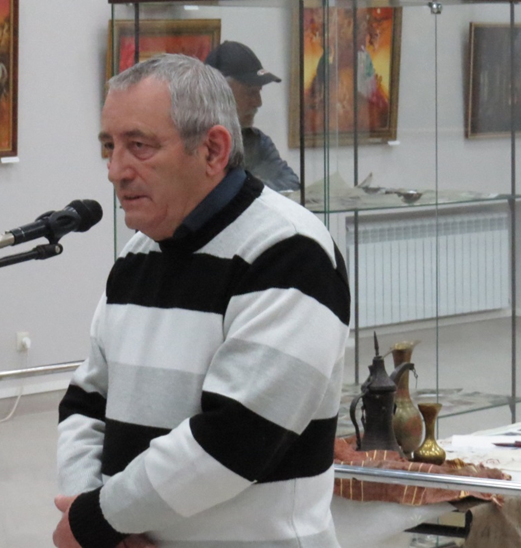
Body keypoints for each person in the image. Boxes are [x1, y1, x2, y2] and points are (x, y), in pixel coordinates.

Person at [54, 54, 351, 548]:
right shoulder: (138, 254)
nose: (115, 171)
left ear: (213, 149)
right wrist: (95, 518)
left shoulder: (289, 252)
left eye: (139, 146)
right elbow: (87, 403)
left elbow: (237, 438)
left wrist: (97, 520)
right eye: (109, 146)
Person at [205, 41, 300, 192]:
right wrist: (254, 185)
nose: (258, 102)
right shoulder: (194, 144)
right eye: (250, 92)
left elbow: (292, 183)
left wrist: (251, 186)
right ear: (220, 94)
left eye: (258, 92)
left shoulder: (257, 142)